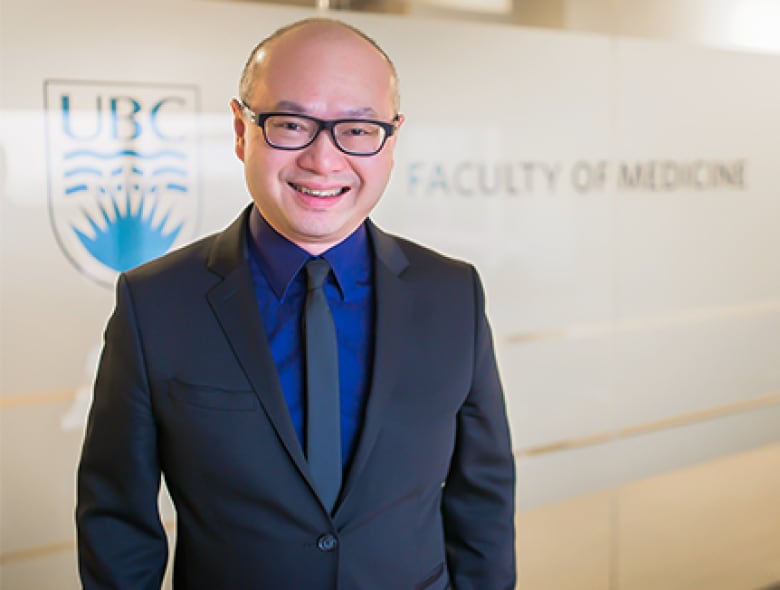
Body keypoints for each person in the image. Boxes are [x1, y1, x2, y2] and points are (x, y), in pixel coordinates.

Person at [76, 17, 515, 590]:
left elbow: (482, 503)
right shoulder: (154, 303)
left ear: (392, 138)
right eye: (291, 124)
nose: (323, 160)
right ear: (241, 130)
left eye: (357, 130)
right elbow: (117, 525)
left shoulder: (453, 293)